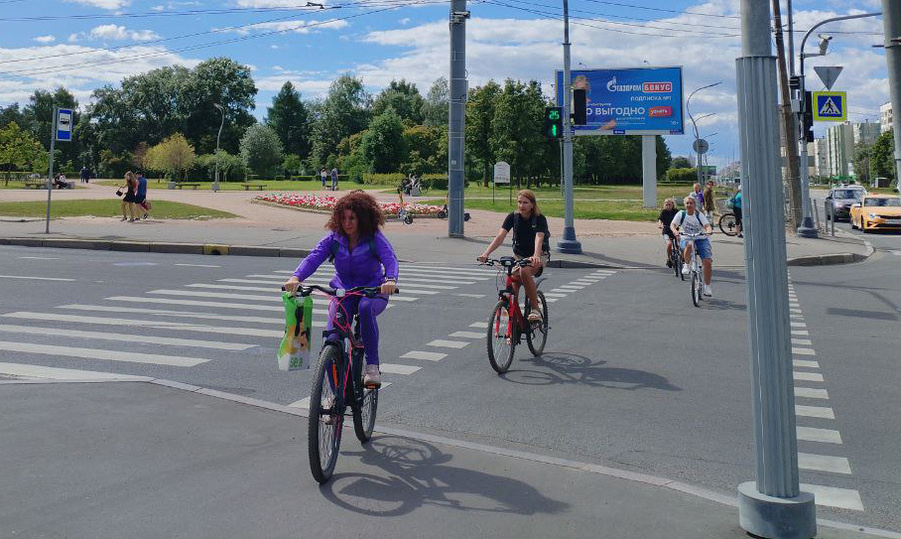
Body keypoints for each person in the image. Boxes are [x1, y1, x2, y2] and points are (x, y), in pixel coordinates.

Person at [283, 191, 398, 388]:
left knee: (364, 308)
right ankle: (334, 396)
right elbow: (314, 257)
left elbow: (390, 259)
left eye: (352, 218)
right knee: (331, 339)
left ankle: (372, 366)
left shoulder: (373, 238)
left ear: (362, 218)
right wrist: (296, 277)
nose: (347, 222)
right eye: (343, 218)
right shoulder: (335, 239)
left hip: (372, 291)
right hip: (343, 291)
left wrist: (390, 280)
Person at [477, 189, 549, 323]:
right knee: (513, 284)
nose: (522, 205)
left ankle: (535, 309)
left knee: (524, 271)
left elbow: (539, 237)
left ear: (532, 204)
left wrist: (536, 255)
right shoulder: (513, 217)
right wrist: (486, 253)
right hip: (520, 256)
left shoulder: (539, 219)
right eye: (519, 202)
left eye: (525, 202)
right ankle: (514, 326)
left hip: (538, 255)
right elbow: (500, 237)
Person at [670, 196, 714, 297]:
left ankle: (707, 286)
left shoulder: (698, 214)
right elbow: (673, 225)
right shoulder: (681, 214)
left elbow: (707, 226)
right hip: (686, 237)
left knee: (707, 262)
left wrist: (708, 231)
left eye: (691, 203)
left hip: (700, 238)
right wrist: (676, 232)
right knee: (689, 244)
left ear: (694, 205)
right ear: (685, 205)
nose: (689, 205)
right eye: (687, 203)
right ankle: (687, 264)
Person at [656, 198, 679, 267]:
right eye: (667, 204)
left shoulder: (676, 211)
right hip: (666, 231)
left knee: (680, 244)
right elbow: (660, 219)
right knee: (669, 244)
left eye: (670, 204)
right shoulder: (664, 212)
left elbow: (680, 219)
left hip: (675, 230)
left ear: (673, 205)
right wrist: (660, 225)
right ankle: (669, 259)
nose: (668, 206)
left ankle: (681, 257)